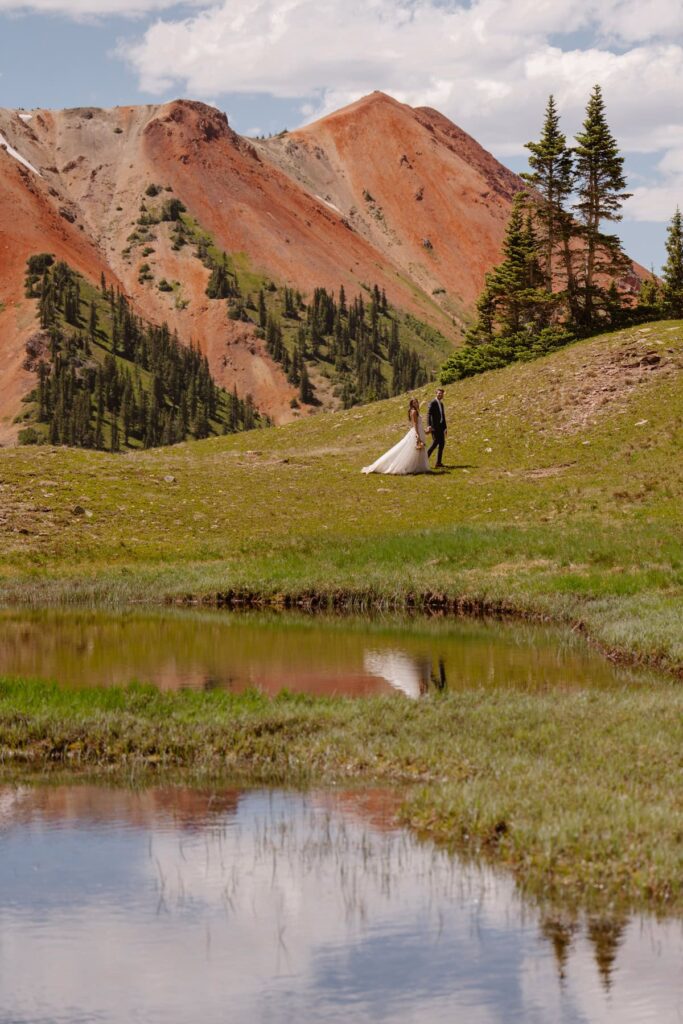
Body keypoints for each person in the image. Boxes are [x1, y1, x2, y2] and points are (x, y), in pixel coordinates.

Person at [361, 397, 429, 475]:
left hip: (419, 431)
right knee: (411, 450)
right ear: (411, 404)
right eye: (414, 403)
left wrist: (425, 431)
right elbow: (415, 424)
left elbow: (419, 424)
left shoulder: (416, 411)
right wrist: (417, 434)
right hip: (416, 432)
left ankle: (418, 467)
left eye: (416, 402)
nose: (416, 404)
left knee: (417, 450)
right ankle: (410, 467)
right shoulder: (413, 412)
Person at [427, 387, 447, 467]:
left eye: (441, 393)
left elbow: (443, 416)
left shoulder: (441, 404)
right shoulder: (433, 402)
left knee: (442, 444)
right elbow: (429, 414)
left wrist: (445, 428)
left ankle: (438, 463)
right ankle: (425, 460)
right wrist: (429, 426)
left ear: (443, 395)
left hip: (441, 427)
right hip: (434, 427)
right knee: (435, 443)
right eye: (438, 393)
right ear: (436, 394)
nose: (440, 394)